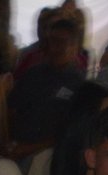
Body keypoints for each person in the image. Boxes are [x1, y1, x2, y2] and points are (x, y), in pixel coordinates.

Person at [7, 19, 85, 159]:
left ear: (75, 47)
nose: (55, 47)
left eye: (62, 42)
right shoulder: (32, 74)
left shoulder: (80, 85)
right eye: (52, 41)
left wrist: (29, 149)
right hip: (16, 147)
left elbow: (70, 131)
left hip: (51, 157)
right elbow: (11, 110)